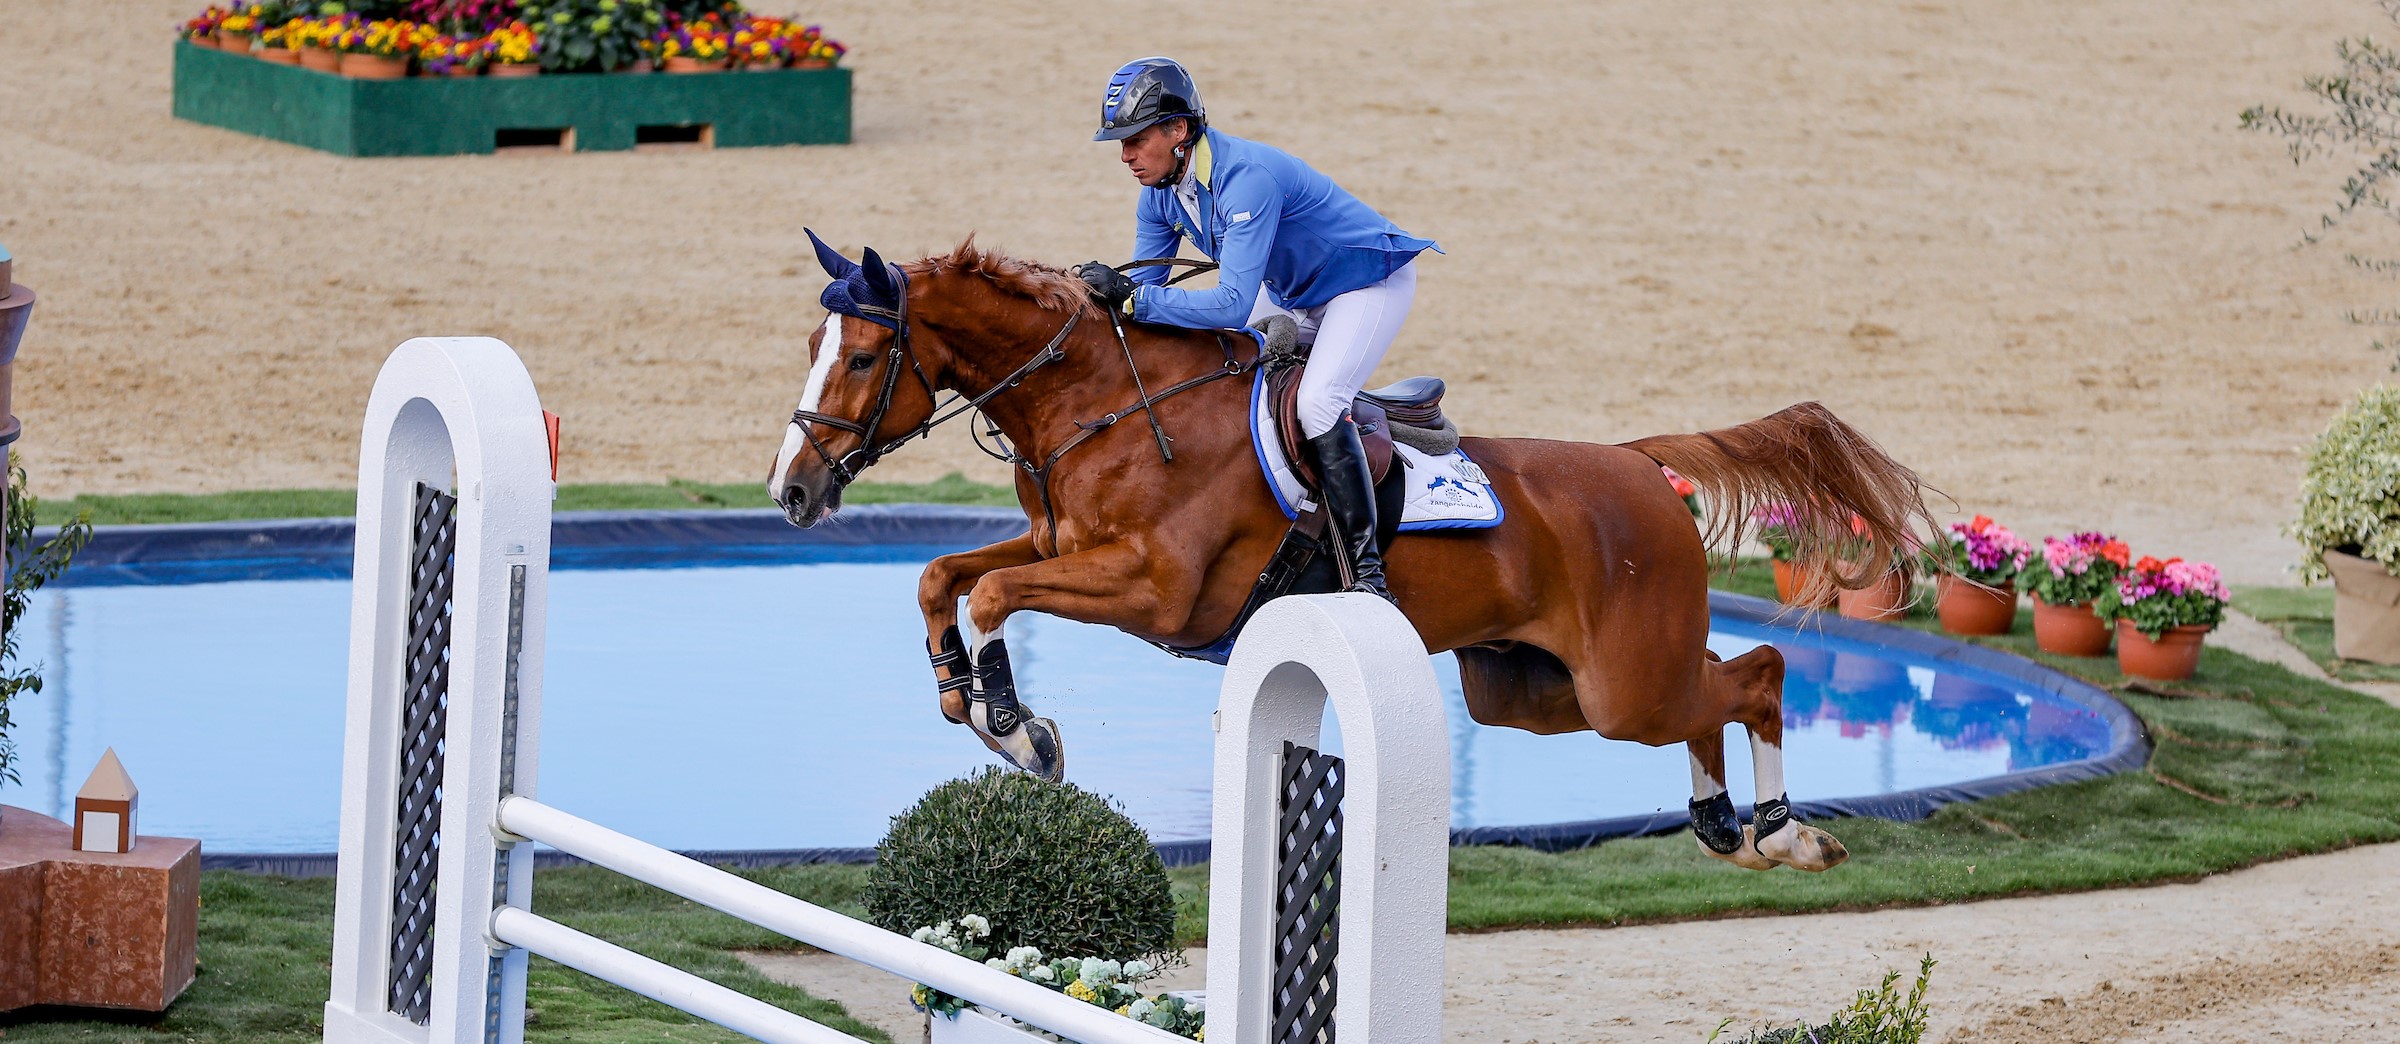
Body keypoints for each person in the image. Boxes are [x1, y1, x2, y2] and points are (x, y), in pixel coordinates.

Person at [1074, 57, 1437, 603]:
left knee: (1317, 403)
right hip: (1295, 291)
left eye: (1135, 139)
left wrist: (1135, 299)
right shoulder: (1159, 192)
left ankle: (1367, 575)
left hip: (1365, 284)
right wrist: (1102, 302)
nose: (1125, 156)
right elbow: (1142, 296)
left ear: (1178, 132)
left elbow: (1228, 302)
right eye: (1120, 143)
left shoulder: (1246, 180)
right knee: (1229, 369)